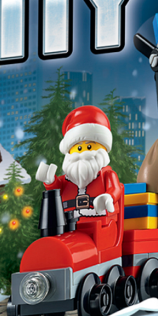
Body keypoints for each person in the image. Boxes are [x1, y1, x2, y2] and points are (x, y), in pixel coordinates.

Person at [35, 104, 122, 244]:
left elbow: (115, 189)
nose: (83, 153)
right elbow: (57, 189)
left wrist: (108, 197)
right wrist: (50, 180)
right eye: (79, 148)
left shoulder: (107, 175)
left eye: (89, 146)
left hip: (101, 223)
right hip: (68, 226)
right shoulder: (68, 178)